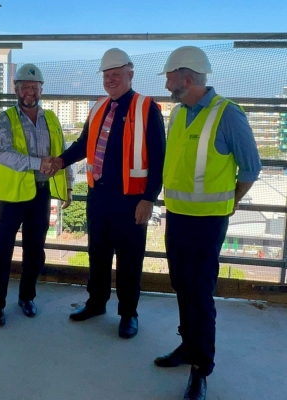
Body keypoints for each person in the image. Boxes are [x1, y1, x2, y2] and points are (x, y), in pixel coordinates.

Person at [154, 46, 261, 400]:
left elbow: (250, 168)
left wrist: (233, 201)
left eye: (169, 77)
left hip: (207, 223)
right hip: (178, 217)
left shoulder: (227, 114)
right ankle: (187, 347)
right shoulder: (179, 114)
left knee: (200, 295)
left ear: (186, 78)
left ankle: (201, 369)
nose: (167, 84)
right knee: (181, 286)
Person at [51, 48, 166, 339]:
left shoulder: (146, 108)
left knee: (130, 260)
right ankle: (96, 303)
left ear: (130, 74)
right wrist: (61, 161)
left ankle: (128, 314)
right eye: (106, 75)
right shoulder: (99, 107)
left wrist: (149, 198)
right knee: (98, 255)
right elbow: (83, 144)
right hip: (98, 196)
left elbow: (159, 158)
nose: (111, 80)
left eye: (116, 74)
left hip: (131, 200)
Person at [0, 63, 74, 327]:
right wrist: (38, 164)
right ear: (15, 89)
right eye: (25, 86)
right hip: (12, 197)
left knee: (35, 252)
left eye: (35, 87)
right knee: (1, 252)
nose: (30, 92)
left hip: (41, 194)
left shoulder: (51, 119)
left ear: (41, 90)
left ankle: (27, 297)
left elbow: (62, 152)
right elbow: (3, 154)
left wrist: (68, 185)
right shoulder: (5, 118)